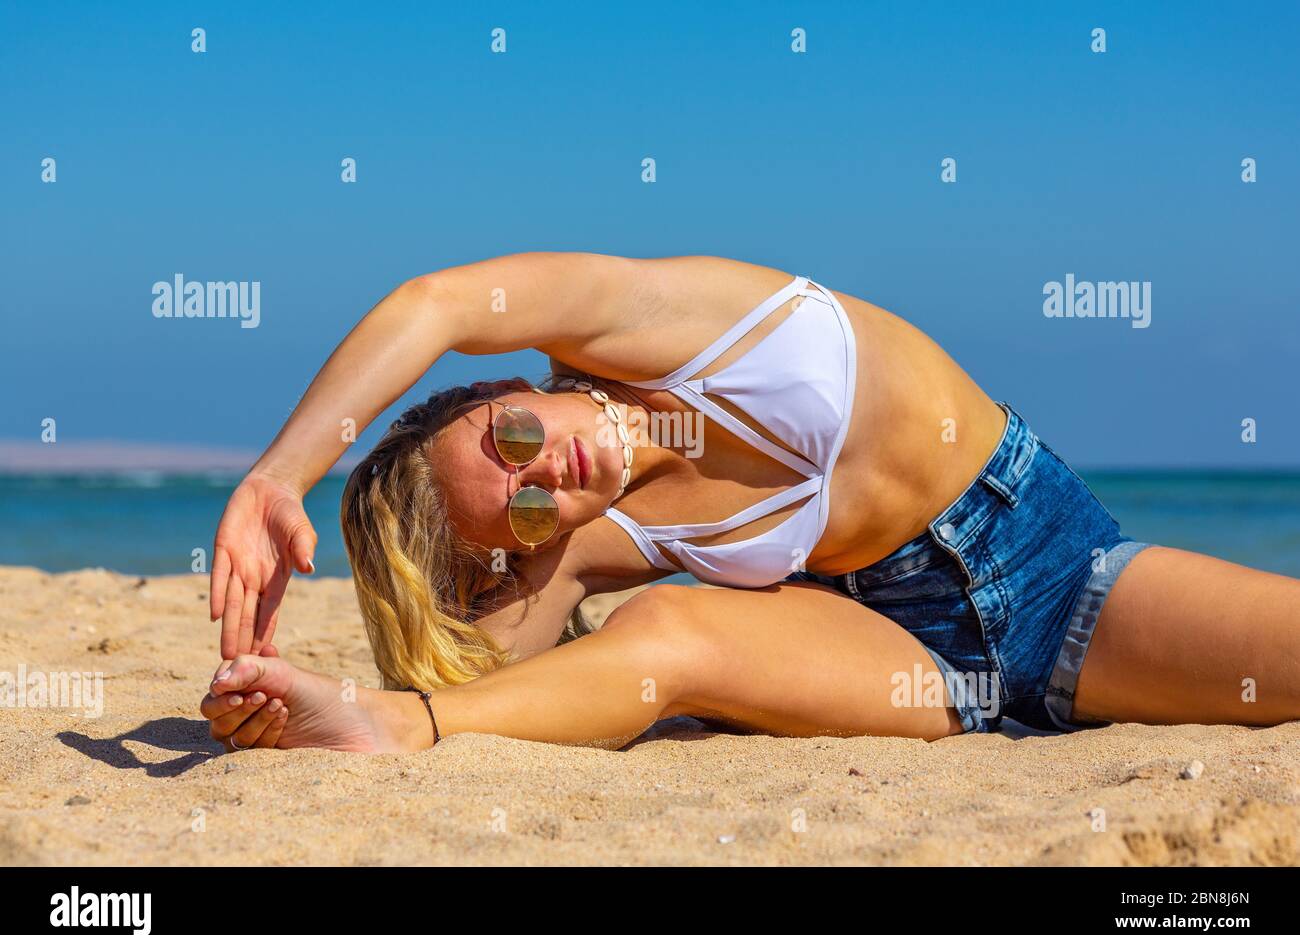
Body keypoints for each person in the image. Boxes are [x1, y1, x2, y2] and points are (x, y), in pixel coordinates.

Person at [200, 253, 1300, 752]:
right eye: (521, 513)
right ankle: (393, 736)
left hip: (1053, 574)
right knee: (664, 631)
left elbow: (430, 301)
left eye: (516, 440)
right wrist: (301, 686)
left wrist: (280, 477)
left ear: (506, 386)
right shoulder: (592, 542)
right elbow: (478, 651)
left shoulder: (646, 322)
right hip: (893, 653)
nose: (549, 481)